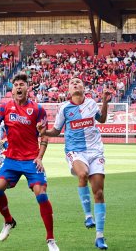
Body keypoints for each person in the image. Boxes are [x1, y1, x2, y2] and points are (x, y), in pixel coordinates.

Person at [0, 74, 59, 251]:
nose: (18, 87)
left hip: (31, 159)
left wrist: (40, 157)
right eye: (16, 85)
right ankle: (9, 221)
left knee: (41, 194)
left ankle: (50, 239)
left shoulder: (38, 109)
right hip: (11, 159)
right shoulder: (4, 108)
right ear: (12, 90)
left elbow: (44, 137)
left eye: (22, 84)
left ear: (28, 88)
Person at [37, 77, 111, 250]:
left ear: (84, 87)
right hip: (75, 151)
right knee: (82, 174)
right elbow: (55, 131)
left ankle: (99, 236)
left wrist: (105, 103)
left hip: (95, 150)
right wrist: (43, 131)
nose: (76, 84)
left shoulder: (92, 103)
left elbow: (102, 119)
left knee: (99, 193)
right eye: (72, 83)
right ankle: (87, 215)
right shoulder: (64, 108)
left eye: (79, 82)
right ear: (69, 90)